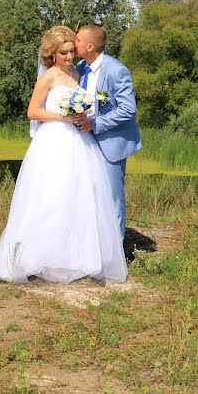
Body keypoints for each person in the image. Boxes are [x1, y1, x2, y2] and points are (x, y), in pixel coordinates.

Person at [0, 26, 127, 284]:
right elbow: (33, 112)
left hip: (81, 142)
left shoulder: (77, 73)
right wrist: (62, 116)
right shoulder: (48, 77)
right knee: (51, 196)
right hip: (53, 142)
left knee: (79, 197)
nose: (70, 57)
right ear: (52, 54)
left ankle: (76, 257)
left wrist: (83, 116)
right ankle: (38, 258)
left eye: (72, 51)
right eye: (64, 53)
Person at [74, 24, 143, 240]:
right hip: (84, 140)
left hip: (110, 142)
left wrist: (95, 124)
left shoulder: (116, 70)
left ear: (90, 45)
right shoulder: (80, 66)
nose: (73, 43)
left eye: (77, 40)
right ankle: (93, 247)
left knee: (112, 198)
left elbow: (128, 109)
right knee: (88, 195)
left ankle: (115, 257)